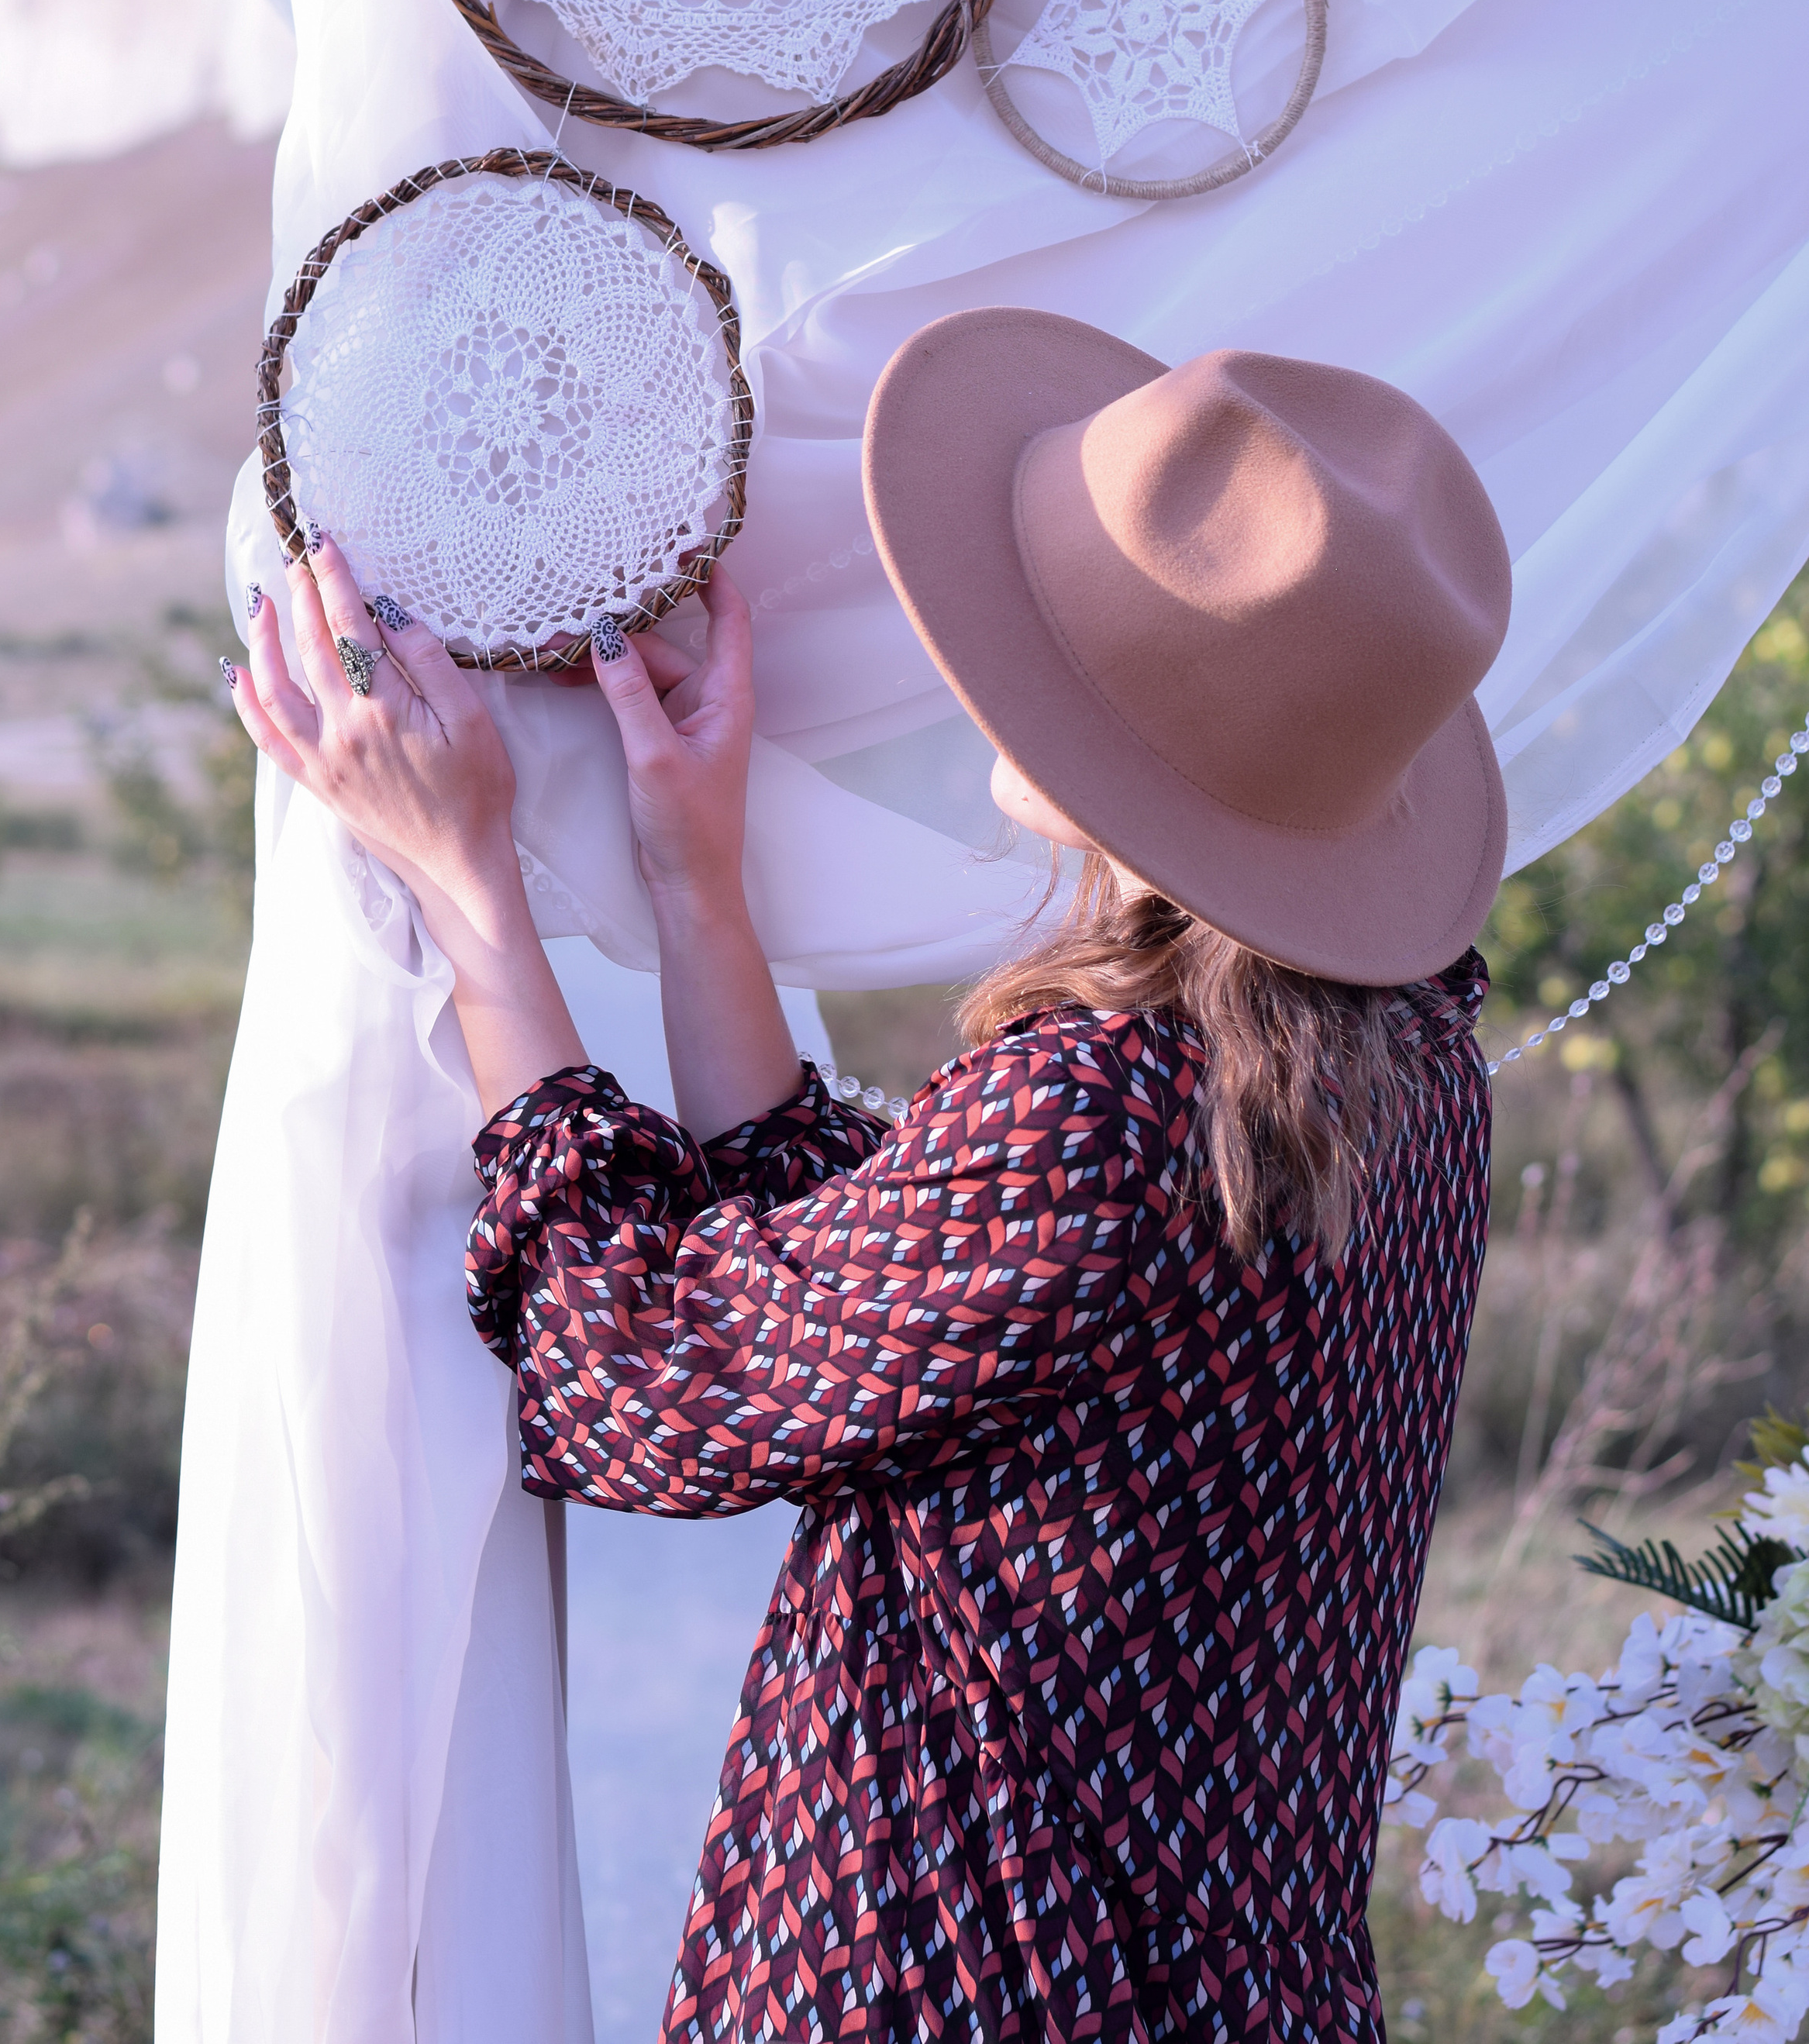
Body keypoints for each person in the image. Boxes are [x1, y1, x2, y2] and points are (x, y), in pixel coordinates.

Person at [226, 310, 1512, 2043]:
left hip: (960, 1992)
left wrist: (467, 887)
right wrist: (699, 882)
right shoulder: (1393, 1084)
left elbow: (643, 1374)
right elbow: (891, 1309)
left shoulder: (1105, 1113)